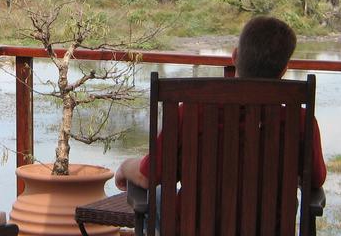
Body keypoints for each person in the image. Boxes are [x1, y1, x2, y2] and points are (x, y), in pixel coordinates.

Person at [114, 15, 327, 214]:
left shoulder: (190, 113)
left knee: (159, 194)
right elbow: (315, 181)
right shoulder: (300, 123)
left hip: (193, 228)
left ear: (234, 56)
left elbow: (146, 176)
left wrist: (125, 167)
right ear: (283, 71)